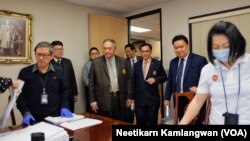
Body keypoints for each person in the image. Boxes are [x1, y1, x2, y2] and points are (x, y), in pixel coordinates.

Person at [179, 21, 250, 125]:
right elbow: (198, 101)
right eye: (216, 47)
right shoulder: (208, 69)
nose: (221, 50)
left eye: (226, 46)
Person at [16, 41, 72, 126]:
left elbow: (64, 90)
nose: (41, 58)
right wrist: (25, 112)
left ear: (51, 56)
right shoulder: (24, 72)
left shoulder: (59, 71)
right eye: (38, 54)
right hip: (33, 117)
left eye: (45, 55)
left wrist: (64, 106)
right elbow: (19, 96)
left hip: (55, 117)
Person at [164, 34, 208, 124]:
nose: (179, 50)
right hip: (178, 100)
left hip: (194, 100)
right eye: (176, 47)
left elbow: (206, 83)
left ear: (188, 45)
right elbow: (170, 82)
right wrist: (167, 98)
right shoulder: (173, 62)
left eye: (181, 47)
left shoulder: (200, 60)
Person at [88, 38, 131, 121]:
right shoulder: (96, 62)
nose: (107, 51)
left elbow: (128, 80)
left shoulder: (123, 61)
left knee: (120, 123)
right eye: (105, 48)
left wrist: (129, 96)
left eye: (109, 48)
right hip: (103, 100)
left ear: (115, 49)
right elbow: (91, 83)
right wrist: (92, 100)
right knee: (106, 125)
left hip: (120, 98)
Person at [133, 43, 167, 125]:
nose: (145, 53)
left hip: (153, 101)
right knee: (140, 122)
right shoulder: (136, 65)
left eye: (147, 51)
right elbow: (133, 82)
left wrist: (155, 79)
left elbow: (164, 77)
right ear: (140, 52)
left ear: (150, 51)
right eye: (142, 51)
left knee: (152, 122)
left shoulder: (157, 64)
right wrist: (132, 98)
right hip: (139, 101)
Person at [51, 40, 78, 113]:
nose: (60, 51)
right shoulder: (49, 63)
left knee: (70, 115)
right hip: (56, 96)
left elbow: (72, 77)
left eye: (61, 49)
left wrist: (75, 93)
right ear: (52, 51)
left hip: (69, 94)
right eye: (57, 49)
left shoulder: (67, 62)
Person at [124, 43, 142, 124]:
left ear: (134, 50)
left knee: (140, 116)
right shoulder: (124, 62)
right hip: (129, 93)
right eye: (126, 52)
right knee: (129, 116)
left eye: (129, 51)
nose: (127, 53)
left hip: (140, 93)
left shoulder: (142, 60)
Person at [82, 47, 99, 113]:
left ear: (99, 54)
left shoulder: (102, 64)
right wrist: (93, 86)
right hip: (90, 90)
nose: (95, 55)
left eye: (96, 53)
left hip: (101, 91)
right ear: (90, 55)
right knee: (91, 109)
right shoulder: (87, 64)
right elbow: (85, 78)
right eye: (92, 54)